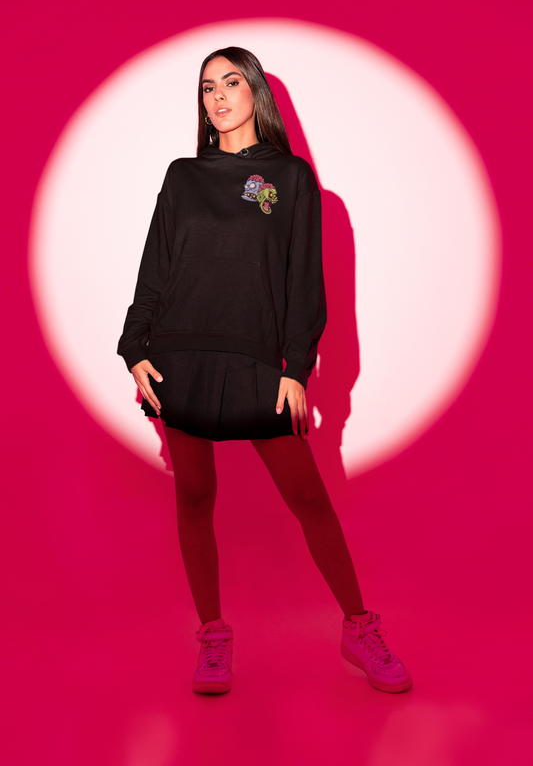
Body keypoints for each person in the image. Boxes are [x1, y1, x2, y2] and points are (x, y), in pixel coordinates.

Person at [117, 46, 412, 695]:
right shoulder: (182, 176)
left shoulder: (290, 178)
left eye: (231, 82)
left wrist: (295, 368)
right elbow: (155, 267)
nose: (219, 96)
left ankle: (358, 628)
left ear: (255, 92)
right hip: (178, 358)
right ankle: (213, 637)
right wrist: (134, 347)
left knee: (308, 498)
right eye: (207, 87)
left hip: (257, 363)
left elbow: (305, 282)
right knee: (195, 495)